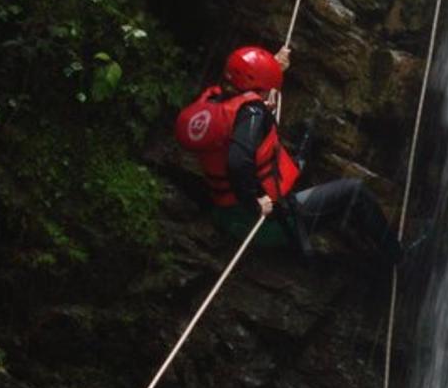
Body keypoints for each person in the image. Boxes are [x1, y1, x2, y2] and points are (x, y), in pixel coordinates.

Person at [176, 45, 411, 265]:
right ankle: (399, 257)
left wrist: (271, 68)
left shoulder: (214, 100)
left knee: (303, 145)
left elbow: (246, 94)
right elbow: (238, 162)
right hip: (266, 223)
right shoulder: (252, 113)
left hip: (227, 214)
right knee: (355, 193)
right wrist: (256, 200)